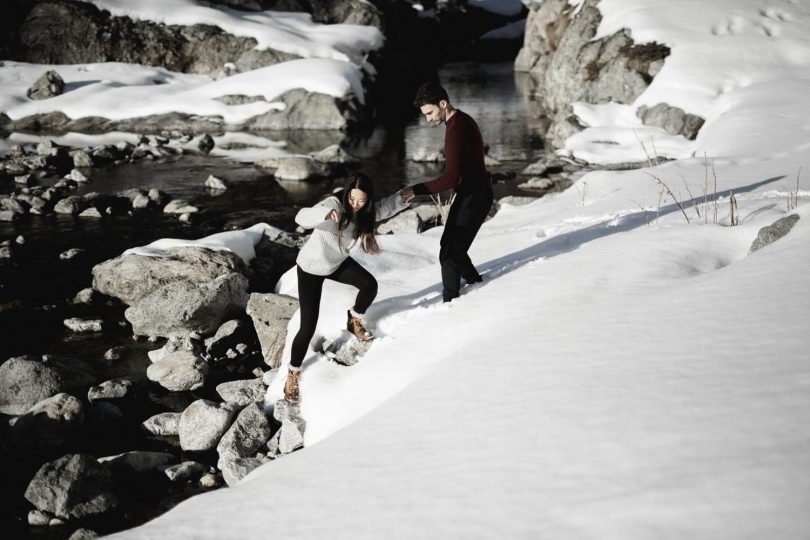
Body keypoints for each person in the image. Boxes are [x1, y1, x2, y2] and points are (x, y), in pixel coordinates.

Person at [283, 172, 414, 402]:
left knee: (369, 285)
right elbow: (301, 216)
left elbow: (383, 208)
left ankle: (354, 320)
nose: (355, 205)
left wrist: (401, 199)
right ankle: (292, 375)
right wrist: (322, 214)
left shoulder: (365, 211)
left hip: (335, 263)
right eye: (352, 199)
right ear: (346, 194)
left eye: (361, 201)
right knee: (307, 326)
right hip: (311, 268)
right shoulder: (333, 204)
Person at [401, 82, 493, 303]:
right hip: (473, 194)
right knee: (451, 249)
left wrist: (416, 190)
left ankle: (450, 302)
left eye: (430, 112)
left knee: (449, 254)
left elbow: (450, 179)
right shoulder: (462, 120)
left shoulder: (455, 130)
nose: (428, 119)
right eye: (424, 115)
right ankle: (475, 282)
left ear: (443, 104)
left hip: (474, 198)